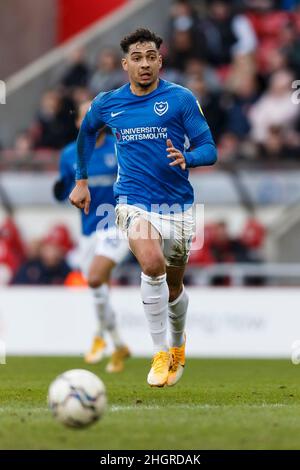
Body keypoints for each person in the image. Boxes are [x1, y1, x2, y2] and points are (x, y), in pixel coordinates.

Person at [69, 28, 217, 387]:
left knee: (173, 287)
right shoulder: (108, 103)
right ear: (125, 64)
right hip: (132, 201)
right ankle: (159, 351)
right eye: (137, 58)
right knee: (151, 264)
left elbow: (209, 149)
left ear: (160, 61)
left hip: (178, 206)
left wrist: (189, 157)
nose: (145, 64)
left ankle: (178, 346)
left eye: (151, 56)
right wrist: (82, 179)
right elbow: (86, 133)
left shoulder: (181, 99)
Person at [54, 102, 130, 373]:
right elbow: (66, 192)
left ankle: (100, 337)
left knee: (97, 278)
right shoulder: (68, 154)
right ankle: (116, 343)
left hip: (117, 226)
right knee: (99, 289)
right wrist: (62, 188)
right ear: (78, 123)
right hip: (88, 232)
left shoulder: (119, 147)